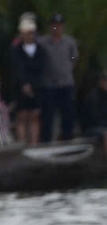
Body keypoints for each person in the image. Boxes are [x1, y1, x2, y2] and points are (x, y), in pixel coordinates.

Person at [42, 14, 80, 141]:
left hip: (66, 83)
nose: (56, 28)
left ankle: (67, 138)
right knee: (48, 115)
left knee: (68, 114)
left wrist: (67, 67)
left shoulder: (69, 42)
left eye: (59, 26)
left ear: (63, 27)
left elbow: (74, 58)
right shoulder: (43, 43)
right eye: (54, 26)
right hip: (49, 84)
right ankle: (46, 141)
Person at [9, 15, 45, 145]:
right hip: (20, 88)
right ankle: (22, 145)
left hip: (36, 87)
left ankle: (34, 143)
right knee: (22, 116)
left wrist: (34, 85)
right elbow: (17, 69)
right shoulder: (16, 50)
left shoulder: (40, 50)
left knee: (34, 116)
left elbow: (42, 69)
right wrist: (24, 84)